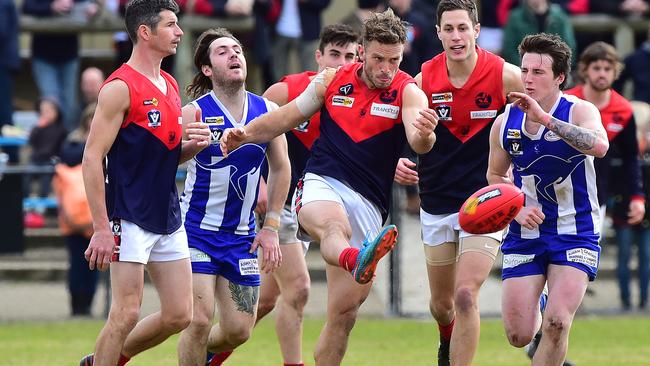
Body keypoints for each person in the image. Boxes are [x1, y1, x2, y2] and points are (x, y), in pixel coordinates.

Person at [221, 8, 437, 365]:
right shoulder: (331, 81)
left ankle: (357, 258)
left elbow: (418, 137)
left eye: (394, 60)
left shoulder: (408, 90)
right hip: (321, 183)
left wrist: (426, 133)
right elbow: (286, 116)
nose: (386, 69)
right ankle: (355, 256)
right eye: (379, 59)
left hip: (370, 203)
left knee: (343, 316)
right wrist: (245, 134)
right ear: (364, 51)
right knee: (335, 227)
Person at [79, 1, 210, 365]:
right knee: (125, 313)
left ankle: (103, 360)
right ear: (145, 32)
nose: (180, 32)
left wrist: (189, 148)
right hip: (129, 214)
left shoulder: (169, 83)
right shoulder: (119, 87)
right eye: (170, 25)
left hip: (167, 213)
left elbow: (164, 157)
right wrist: (102, 229)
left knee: (180, 314)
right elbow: (91, 158)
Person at [393, 1, 523, 364]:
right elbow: (405, 132)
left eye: (462, 28)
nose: (456, 36)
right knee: (442, 305)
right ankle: (445, 337)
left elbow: (538, 117)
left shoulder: (504, 76)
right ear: (437, 34)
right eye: (448, 29)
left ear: (477, 30)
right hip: (436, 199)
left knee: (466, 295)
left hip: (485, 201)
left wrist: (519, 169)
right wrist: (400, 158)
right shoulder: (422, 79)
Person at [486, 33, 609, 366]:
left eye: (538, 72)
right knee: (519, 335)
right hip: (526, 232)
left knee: (558, 323)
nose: (527, 78)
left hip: (576, 228)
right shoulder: (504, 123)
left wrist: (545, 119)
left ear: (559, 78)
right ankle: (539, 304)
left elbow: (600, 147)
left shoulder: (579, 110)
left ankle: (550, 311)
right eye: (524, 70)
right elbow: (496, 176)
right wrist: (518, 209)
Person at [241, 24, 359, 366]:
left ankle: (208, 352)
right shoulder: (288, 89)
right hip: (282, 202)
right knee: (300, 289)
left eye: (349, 56)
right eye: (334, 55)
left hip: (317, 204)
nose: (340, 63)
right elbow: (250, 130)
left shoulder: (358, 97)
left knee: (264, 301)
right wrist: (260, 183)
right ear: (318, 56)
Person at [176, 28, 290, 366]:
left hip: (242, 236)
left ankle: (199, 356)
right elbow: (166, 161)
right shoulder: (193, 112)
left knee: (240, 329)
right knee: (197, 319)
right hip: (195, 229)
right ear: (207, 69)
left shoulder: (267, 109)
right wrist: (187, 148)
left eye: (237, 49)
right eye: (222, 51)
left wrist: (270, 227)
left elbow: (281, 168)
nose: (233, 55)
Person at [53, 103, 97, 316]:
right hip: (74, 214)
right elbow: (70, 158)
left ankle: (88, 302)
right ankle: (76, 304)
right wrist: (94, 141)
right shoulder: (73, 142)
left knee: (94, 265)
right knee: (77, 264)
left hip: (94, 216)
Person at [501, 0, 576, 68]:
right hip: (523, 68)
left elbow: (569, 46)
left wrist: (555, 67)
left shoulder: (559, 17)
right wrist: (527, 66)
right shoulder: (515, 17)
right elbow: (509, 49)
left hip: (554, 69)